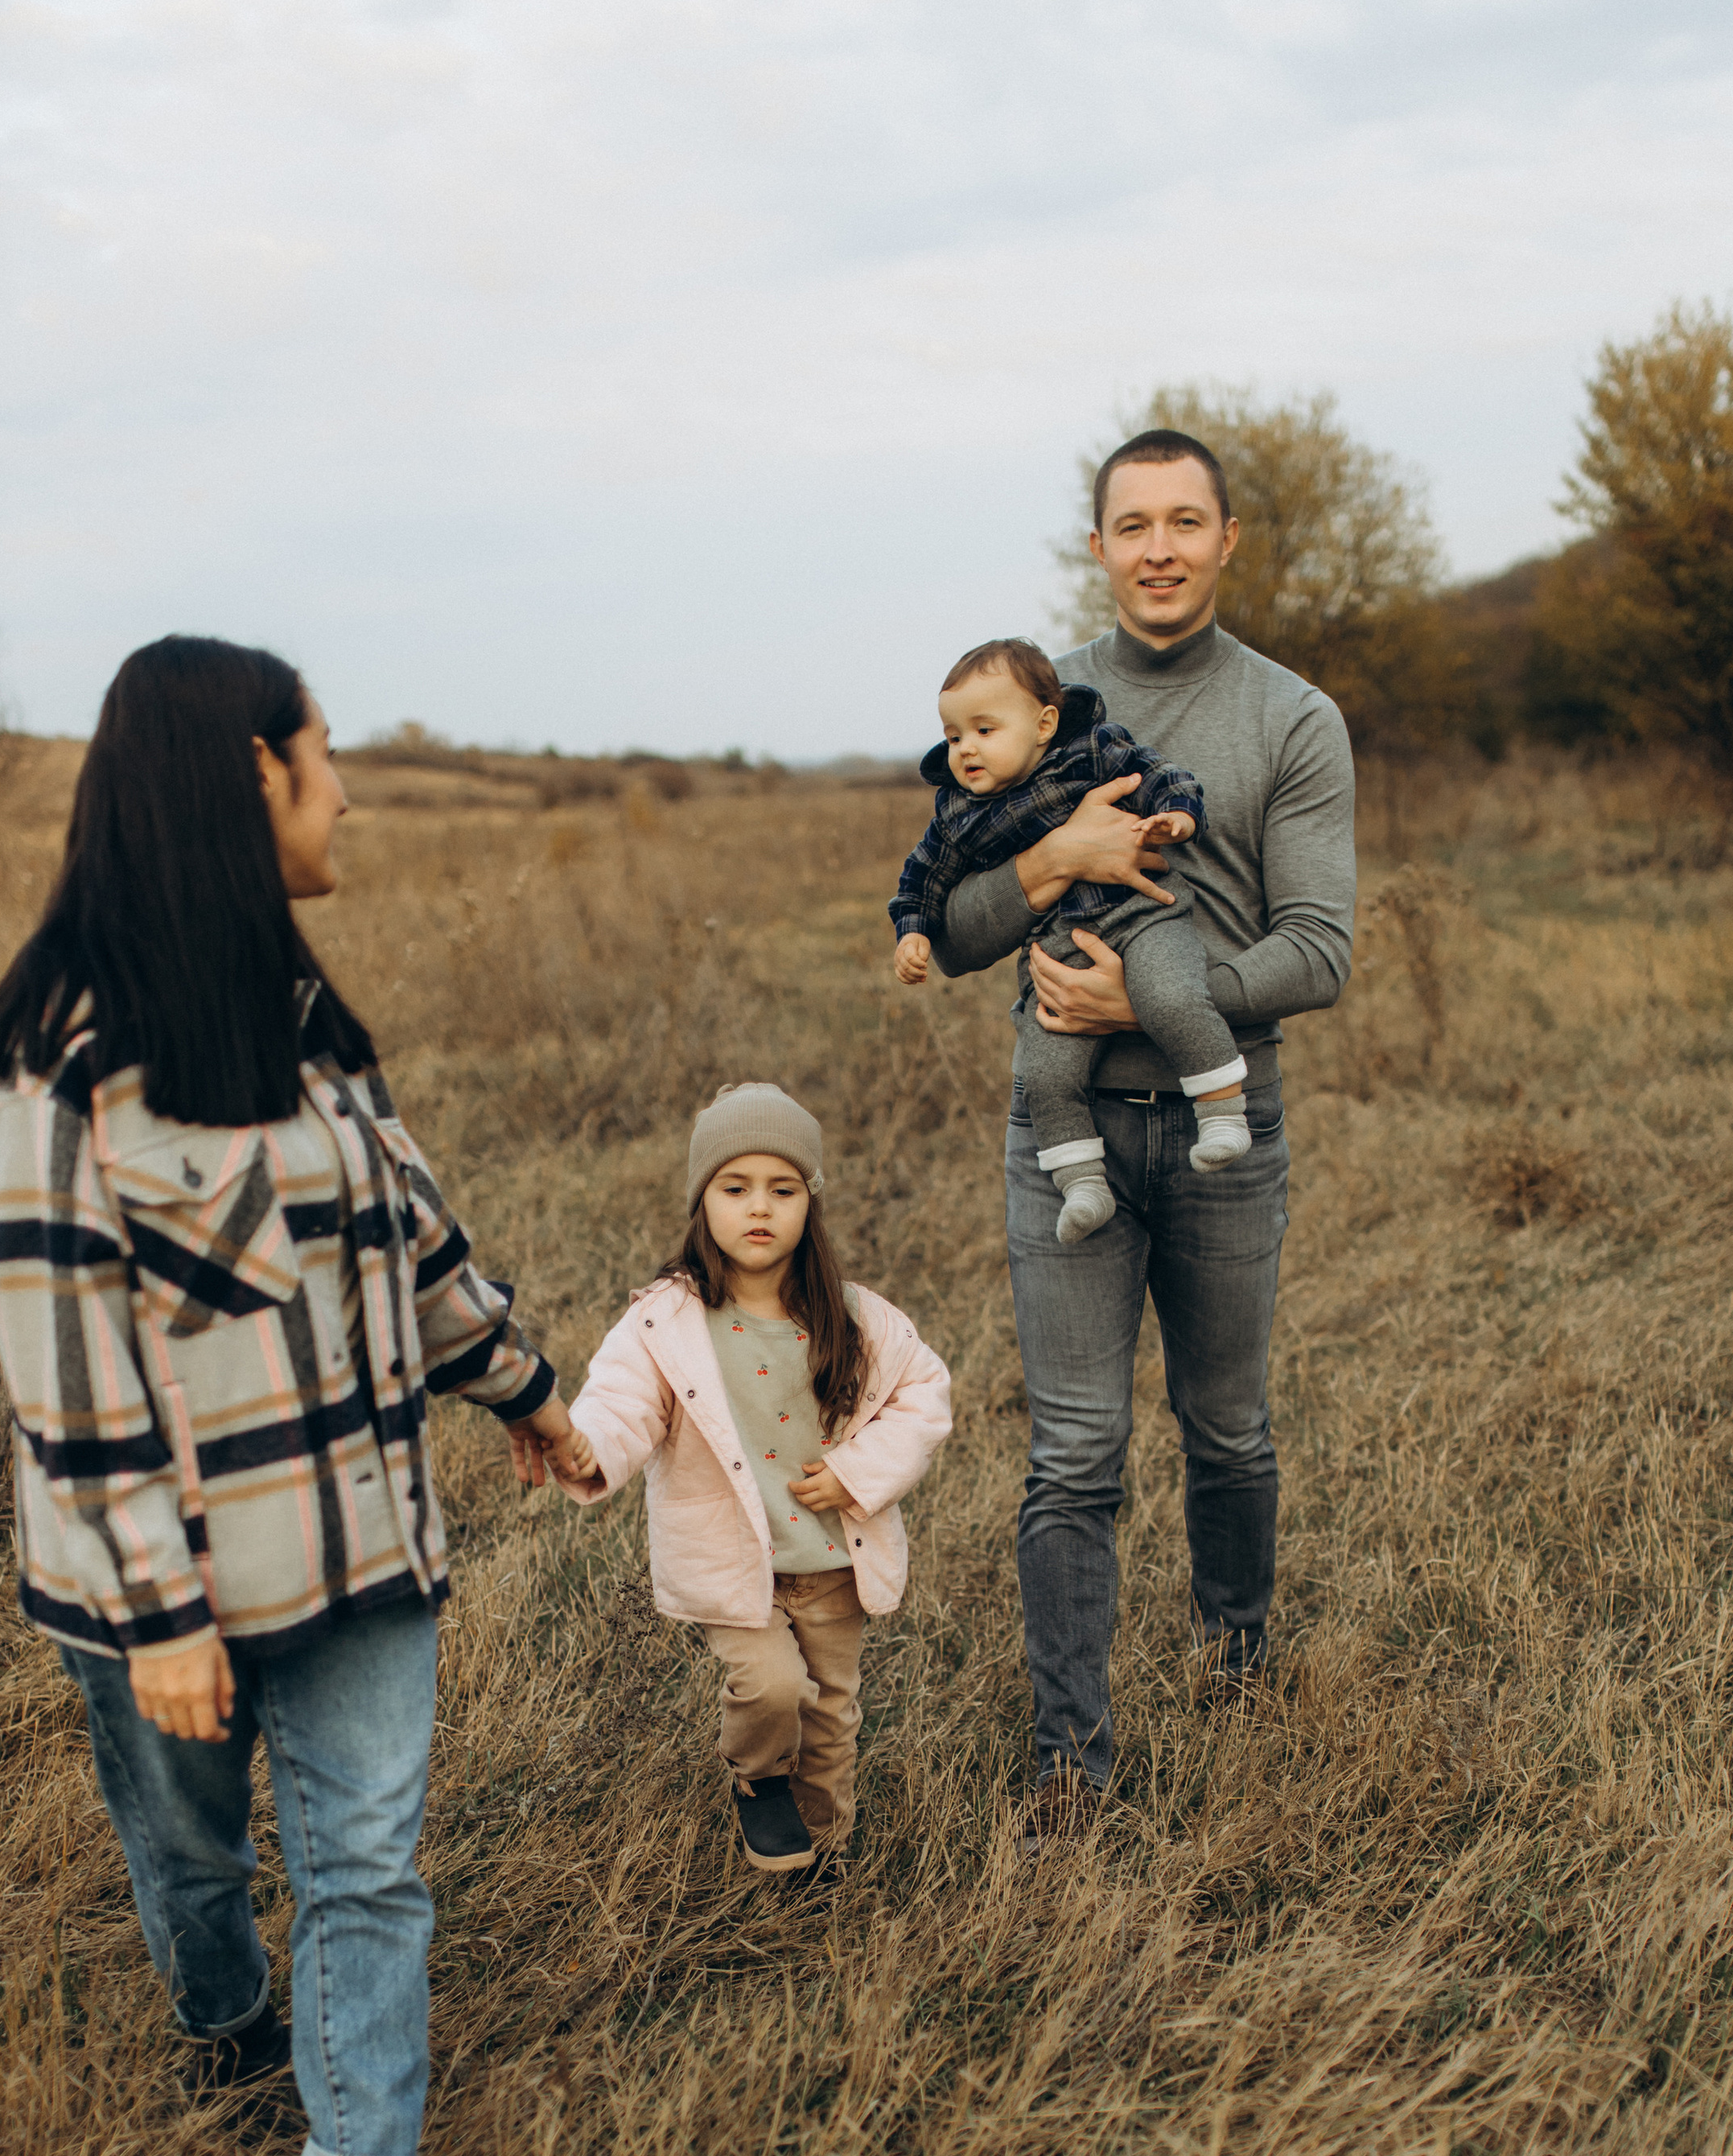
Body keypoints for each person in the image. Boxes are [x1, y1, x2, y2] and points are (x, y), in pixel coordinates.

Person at [0, 635, 593, 2156]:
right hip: (166, 1583)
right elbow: (63, 1370)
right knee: (192, 1859)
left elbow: (408, 1237)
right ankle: (222, 2025)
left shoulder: (305, 1017)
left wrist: (530, 1392)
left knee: (363, 1872)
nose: (349, 790)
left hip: (357, 1546)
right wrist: (162, 1607)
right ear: (249, 774)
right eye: (324, 756)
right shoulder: (59, 1051)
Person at [926, 430, 1357, 1829]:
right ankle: (1071, 1759)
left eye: (1186, 522)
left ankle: (1238, 1658)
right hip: (1065, 1139)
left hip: (1230, 1123)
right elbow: (952, 918)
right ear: (1099, 545)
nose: (1159, 547)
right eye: (1132, 524)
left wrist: (1159, 998)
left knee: (1225, 1428)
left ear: (1229, 540)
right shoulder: (1033, 712)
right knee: (1073, 1453)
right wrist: (1055, 856)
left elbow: (1322, 948)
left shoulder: (1293, 718)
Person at [553, 1082, 951, 1874]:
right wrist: (589, 1445)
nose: (759, 1208)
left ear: (811, 1202)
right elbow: (622, 1402)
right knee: (773, 1689)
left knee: (832, 1711)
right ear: (704, 1201)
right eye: (735, 1189)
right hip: (736, 1558)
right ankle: (759, 1780)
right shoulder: (667, 1321)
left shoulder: (855, 1316)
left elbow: (924, 1393)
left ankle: (822, 1846)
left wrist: (859, 1473)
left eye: (783, 1189)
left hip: (832, 1555)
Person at [890, 637, 1249, 1241]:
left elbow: (1163, 774)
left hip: (1145, 918)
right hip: (1057, 951)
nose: (966, 749)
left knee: (1171, 997)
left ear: (1043, 723)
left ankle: (1222, 1116)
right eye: (954, 737)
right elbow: (921, 882)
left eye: (984, 729)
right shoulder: (956, 813)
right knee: (1046, 1073)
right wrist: (913, 934)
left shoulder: (1092, 751)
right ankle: (1083, 1184)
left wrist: (1177, 815)